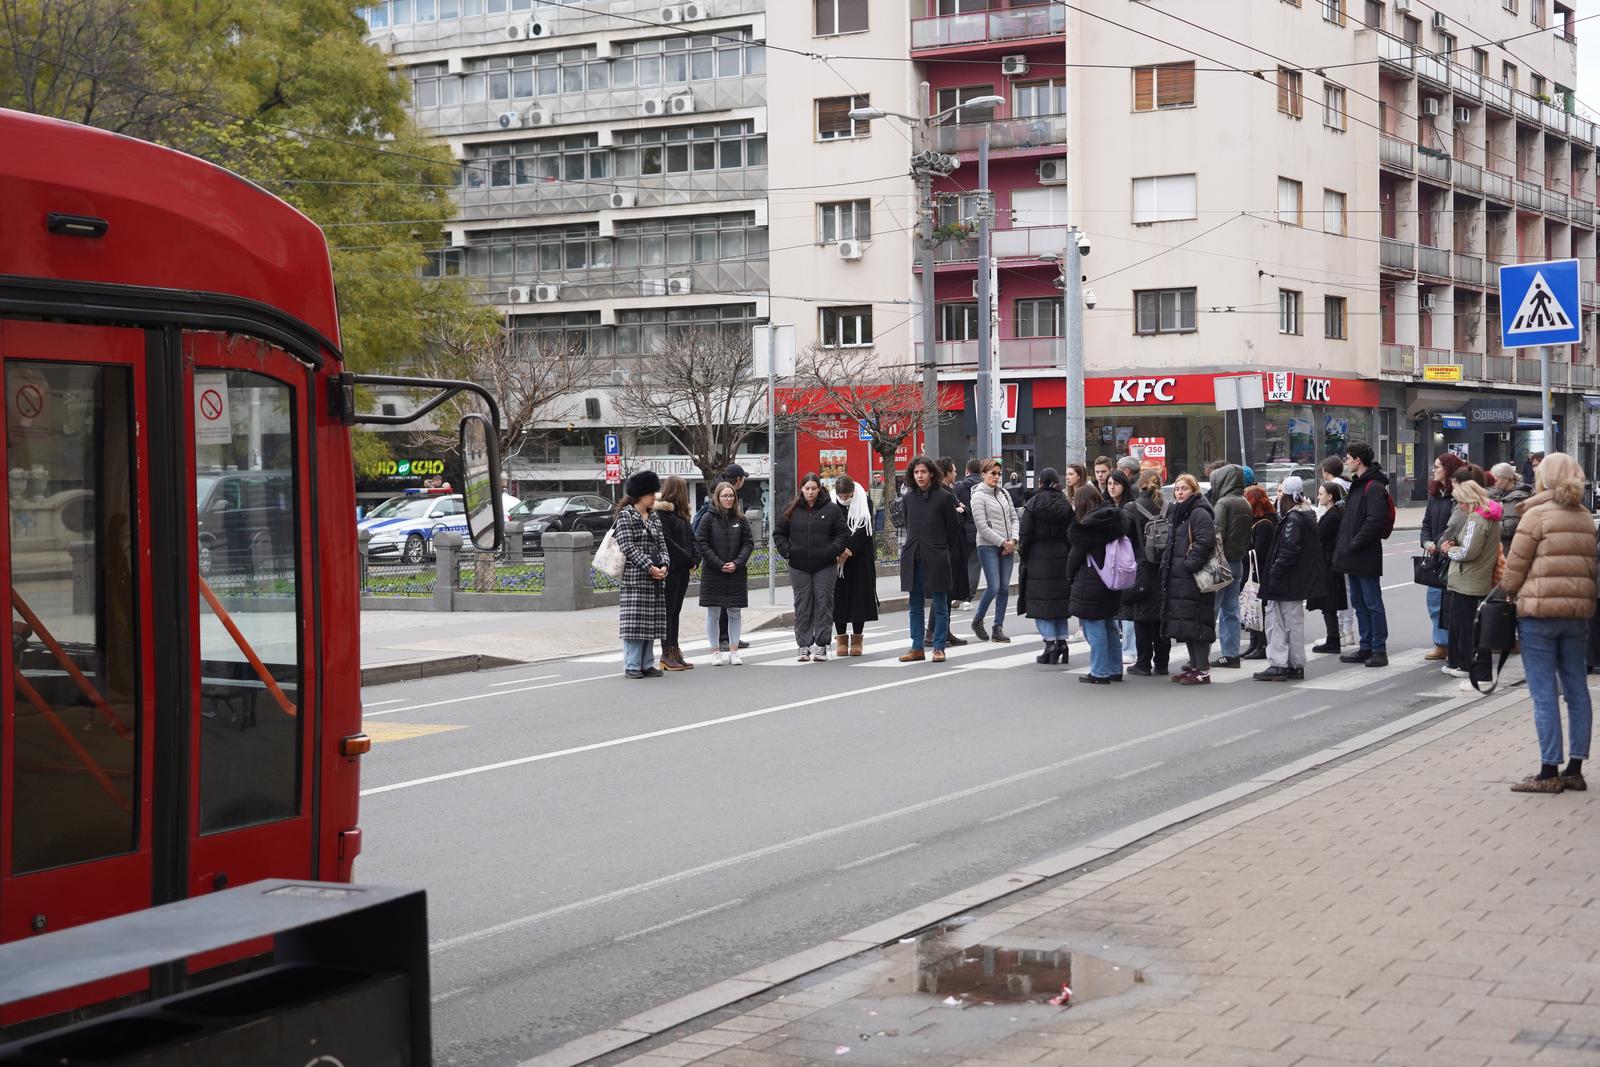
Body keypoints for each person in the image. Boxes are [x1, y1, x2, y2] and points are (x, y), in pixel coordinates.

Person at [1500, 452, 1594, 792]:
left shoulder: (1536, 514)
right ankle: (1575, 768)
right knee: (1577, 691)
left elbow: (1515, 568)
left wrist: (1507, 595)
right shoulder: (1585, 517)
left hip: (1538, 615)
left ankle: (1547, 772)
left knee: (1544, 694)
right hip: (1576, 615)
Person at [1254, 476, 1322, 681]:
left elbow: (1289, 549)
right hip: (1295, 580)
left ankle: (1278, 664)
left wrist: (1275, 571)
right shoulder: (1306, 515)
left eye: (1281, 492)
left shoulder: (1292, 518)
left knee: (1276, 622)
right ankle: (1295, 664)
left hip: (1285, 580)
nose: (1278, 496)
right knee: (1294, 623)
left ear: (1290, 495)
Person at [898, 455, 964, 663]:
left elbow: (953, 529)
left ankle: (938, 647)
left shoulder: (944, 497)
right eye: (916, 472)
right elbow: (909, 527)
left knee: (940, 603)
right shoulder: (908, 499)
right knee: (914, 604)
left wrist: (940, 548)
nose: (919, 476)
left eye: (923, 472)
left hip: (936, 555)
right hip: (913, 556)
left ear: (932, 473)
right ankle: (917, 647)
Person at [775, 472, 847, 662]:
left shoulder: (831, 509)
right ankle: (804, 646)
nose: (810, 492)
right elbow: (779, 533)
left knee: (823, 603)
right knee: (802, 604)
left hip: (825, 565)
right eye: (807, 488)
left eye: (814, 488)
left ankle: (822, 645)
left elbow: (843, 534)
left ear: (819, 488)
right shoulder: (792, 509)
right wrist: (788, 551)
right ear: (802, 489)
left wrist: (831, 551)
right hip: (799, 565)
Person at [1333, 441, 1392, 668]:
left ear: (1358, 460)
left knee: (1372, 602)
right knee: (1358, 602)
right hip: (1353, 553)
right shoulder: (1359, 484)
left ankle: (1379, 649)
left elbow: (1374, 521)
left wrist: (1355, 542)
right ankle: (1366, 645)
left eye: (1348, 457)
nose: (1346, 461)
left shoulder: (1374, 486)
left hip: (1364, 553)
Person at [1438, 478, 1502, 679]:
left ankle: (1464, 665)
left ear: (1470, 500)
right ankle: (1461, 663)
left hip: (1468, 578)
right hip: (1475, 577)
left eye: (1461, 502)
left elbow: (1467, 552)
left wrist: (1449, 551)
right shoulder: (1489, 516)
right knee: (1465, 623)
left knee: (1463, 625)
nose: (1460, 506)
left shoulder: (1476, 519)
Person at [1161, 473, 1218, 685]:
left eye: (1184, 488)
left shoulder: (1199, 513)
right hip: (1180, 578)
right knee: (1187, 624)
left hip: (1194, 578)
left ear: (1194, 491)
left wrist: (1188, 566)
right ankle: (1194, 667)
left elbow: (1205, 543)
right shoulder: (1180, 512)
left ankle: (1202, 670)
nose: (1179, 492)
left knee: (1197, 623)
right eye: (1177, 489)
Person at [614, 470, 670, 679]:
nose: (654, 497)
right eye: (651, 494)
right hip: (635, 580)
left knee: (651, 623)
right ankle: (632, 664)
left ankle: (647, 664)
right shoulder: (626, 516)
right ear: (640, 494)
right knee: (634, 625)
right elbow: (627, 546)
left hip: (655, 579)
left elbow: (662, 544)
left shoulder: (654, 517)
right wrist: (649, 566)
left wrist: (664, 564)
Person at [1067, 485, 1125, 683]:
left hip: (1091, 581)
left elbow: (1075, 557)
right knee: (1110, 626)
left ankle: (1100, 671)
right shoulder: (1113, 519)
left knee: (1095, 627)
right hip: (1112, 580)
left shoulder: (1087, 525)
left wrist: (1069, 576)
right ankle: (1115, 669)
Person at [1018, 468, 1075, 664]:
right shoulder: (1065, 504)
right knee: (1059, 603)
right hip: (1061, 555)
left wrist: (1024, 556)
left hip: (1038, 556)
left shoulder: (1032, 504)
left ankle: (1050, 645)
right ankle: (1062, 643)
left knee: (1041, 604)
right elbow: (1072, 532)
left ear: (1040, 482)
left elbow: (1024, 535)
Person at [695, 479, 753, 666]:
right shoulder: (708, 518)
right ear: (717, 498)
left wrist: (737, 563)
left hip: (736, 572)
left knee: (734, 611)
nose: (728, 499)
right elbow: (701, 542)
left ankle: (734, 651)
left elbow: (748, 543)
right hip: (714, 572)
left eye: (731, 495)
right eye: (724, 496)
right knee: (713, 612)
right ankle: (715, 651)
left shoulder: (741, 519)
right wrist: (719, 564)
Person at [1121, 469, 1170, 676]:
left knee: (1141, 618)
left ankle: (1143, 663)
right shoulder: (1169, 507)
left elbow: (1123, 535)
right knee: (1161, 617)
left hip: (1141, 567)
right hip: (1165, 569)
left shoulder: (1132, 507)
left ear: (1139, 485)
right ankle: (1162, 664)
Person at [968, 458, 1019, 643]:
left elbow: (1014, 518)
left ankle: (998, 627)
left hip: (1007, 545)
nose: (997, 477)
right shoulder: (978, 495)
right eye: (993, 473)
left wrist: (1013, 540)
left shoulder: (1004, 493)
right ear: (983, 475)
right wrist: (1002, 543)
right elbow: (981, 526)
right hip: (988, 546)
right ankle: (978, 620)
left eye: (998, 474)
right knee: (994, 586)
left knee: (1004, 588)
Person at [1209, 464, 1252, 669]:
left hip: (1220, 561)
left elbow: (1216, 534)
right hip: (1237, 561)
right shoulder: (1244, 502)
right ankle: (1231, 654)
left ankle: (1201, 653)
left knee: (1211, 609)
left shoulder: (1223, 503)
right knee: (1231, 611)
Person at [653, 475, 697, 672]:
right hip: (671, 569)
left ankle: (674, 650)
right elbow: (668, 543)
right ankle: (666, 653)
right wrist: (689, 559)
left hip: (683, 569)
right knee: (668, 611)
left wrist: (696, 558)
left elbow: (692, 538)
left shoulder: (681, 514)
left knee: (676, 611)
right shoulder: (663, 514)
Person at [831, 475, 879, 657]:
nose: (844, 499)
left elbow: (864, 528)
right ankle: (841, 639)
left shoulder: (864, 500)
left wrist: (849, 550)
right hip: (837, 558)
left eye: (847, 496)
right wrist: (837, 551)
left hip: (860, 556)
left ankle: (857, 639)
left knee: (860, 597)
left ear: (852, 491)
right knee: (839, 597)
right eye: (841, 496)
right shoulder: (830, 501)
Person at [1307, 481, 1350, 653]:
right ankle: (1333, 638)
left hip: (1328, 563)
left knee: (1328, 602)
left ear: (1330, 496)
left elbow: (1318, 536)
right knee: (1328, 602)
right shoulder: (1334, 513)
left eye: (1321, 494)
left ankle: (1333, 639)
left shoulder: (1332, 515)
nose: (1318, 497)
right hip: (1330, 562)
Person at [935, 457, 973, 643]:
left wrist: (961, 510)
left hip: (956, 546)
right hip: (948, 548)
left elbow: (962, 512)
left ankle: (943, 630)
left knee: (947, 591)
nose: (956, 473)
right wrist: (959, 512)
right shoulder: (942, 493)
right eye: (953, 470)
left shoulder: (950, 491)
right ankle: (936, 631)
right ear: (946, 472)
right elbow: (952, 519)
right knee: (943, 591)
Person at [1240, 484, 1277, 661]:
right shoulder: (1258, 522)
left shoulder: (1265, 524)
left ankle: (1261, 645)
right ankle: (1254, 643)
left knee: (1259, 608)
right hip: (1252, 572)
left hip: (1259, 573)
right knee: (1252, 608)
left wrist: (1241, 553)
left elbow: (1260, 552)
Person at [1106, 471, 1137, 663]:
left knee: (1127, 607)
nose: (1112, 487)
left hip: (1127, 561)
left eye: (1116, 484)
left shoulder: (1131, 507)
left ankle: (1130, 648)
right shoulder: (1105, 506)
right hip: (1109, 563)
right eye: (1109, 483)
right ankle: (1117, 648)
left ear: (1124, 486)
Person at [953, 458, 984, 604]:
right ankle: (968, 597)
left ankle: (958, 594)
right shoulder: (985, 487)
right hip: (979, 530)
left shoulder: (958, 487)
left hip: (962, 530)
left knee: (961, 564)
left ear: (967, 471)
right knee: (974, 564)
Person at [1489, 462, 1532, 544]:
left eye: (1496, 480)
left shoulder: (1513, 498)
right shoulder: (1511, 494)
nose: (1494, 483)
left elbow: (1508, 529)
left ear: (1506, 479)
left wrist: (1488, 522)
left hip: (1510, 547)